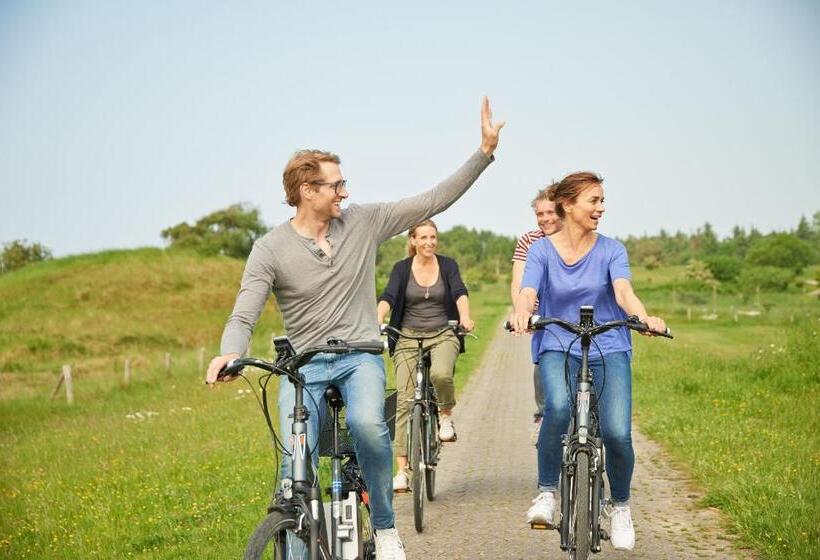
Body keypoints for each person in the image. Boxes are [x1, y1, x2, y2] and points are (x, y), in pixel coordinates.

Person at [205, 98, 504, 560]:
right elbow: (244, 312)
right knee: (293, 463)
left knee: (367, 424)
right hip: (303, 366)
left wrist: (483, 154)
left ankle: (384, 527)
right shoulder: (269, 248)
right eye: (336, 185)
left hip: (359, 356)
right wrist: (230, 353)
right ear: (307, 189)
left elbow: (431, 199)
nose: (344, 192)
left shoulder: (362, 222)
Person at [508, 172, 666, 552]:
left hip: (609, 344)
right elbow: (528, 290)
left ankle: (621, 506)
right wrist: (522, 313)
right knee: (558, 409)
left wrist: (643, 317)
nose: (601, 208)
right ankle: (546, 492)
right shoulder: (542, 251)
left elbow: (623, 291)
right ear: (568, 205)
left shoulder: (612, 249)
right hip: (558, 342)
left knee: (616, 432)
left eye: (601, 201)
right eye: (593, 201)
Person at [377, 219, 474, 492]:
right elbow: (388, 297)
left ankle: (444, 415)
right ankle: (402, 472)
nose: (429, 242)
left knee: (441, 374)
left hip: (442, 333)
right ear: (413, 241)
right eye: (423, 238)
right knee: (404, 402)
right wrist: (377, 318)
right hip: (407, 336)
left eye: (433, 237)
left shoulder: (448, 265)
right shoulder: (401, 269)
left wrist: (464, 316)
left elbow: (459, 292)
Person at [509, 184, 562, 445]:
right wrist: (522, 312)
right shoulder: (530, 240)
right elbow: (518, 283)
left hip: (573, 314)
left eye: (550, 212)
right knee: (542, 363)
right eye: (540, 214)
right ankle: (542, 416)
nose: (545, 219)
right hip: (542, 314)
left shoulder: (575, 238)